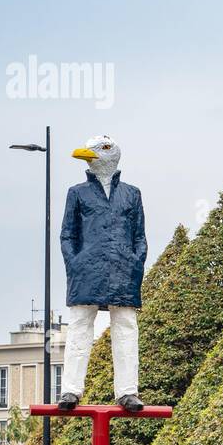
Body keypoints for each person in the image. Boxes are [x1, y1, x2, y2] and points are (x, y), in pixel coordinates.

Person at [57, 135, 147, 411]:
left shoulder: (132, 194)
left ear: (112, 155)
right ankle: (71, 390)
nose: (90, 155)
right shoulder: (78, 193)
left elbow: (139, 236)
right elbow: (67, 235)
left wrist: (135, 262)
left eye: (99, 150)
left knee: (126, 329)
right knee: (79, 326)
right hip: (86, 270)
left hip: (123, 269)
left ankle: (127, 391)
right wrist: (75, 263)